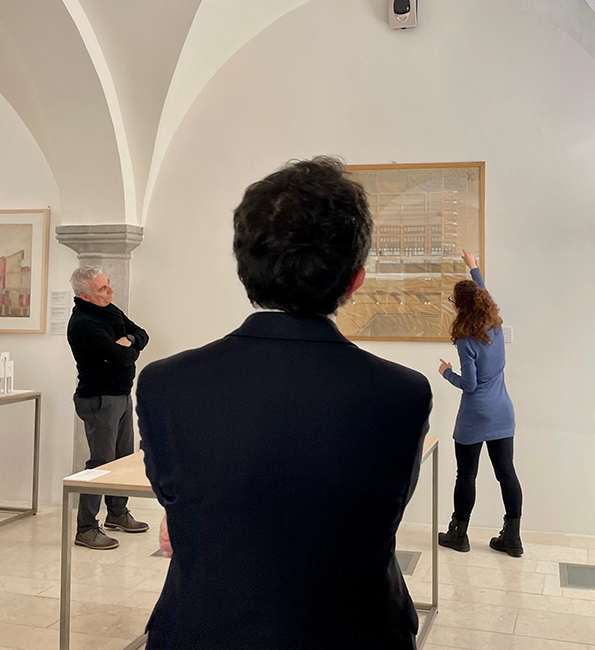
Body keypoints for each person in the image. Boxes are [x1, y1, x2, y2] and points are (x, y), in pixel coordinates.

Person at [136, 157, 432, 650]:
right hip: (355, 632)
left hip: (204, 630)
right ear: (355, 280)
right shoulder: (402, 392)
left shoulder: (164, 383)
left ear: (245, 268)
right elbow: (376, 513)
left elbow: (183, 499)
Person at [437, 250, 523, 557]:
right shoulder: (495, 325)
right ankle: (512, 538)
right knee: (506, 473)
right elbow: (481, 291)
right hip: (502, 411)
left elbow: (470, 385)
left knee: (466, 475)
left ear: (460, 307)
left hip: (475, 415)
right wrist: (473, 267)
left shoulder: (465, 340)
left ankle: (458, 535)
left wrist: (447, 373)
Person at [67, 266, 149, 550]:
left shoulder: (111, 311)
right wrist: (130, 348)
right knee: (101, 463)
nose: (110, 290)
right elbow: (120, 357)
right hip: (99, 399)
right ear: (85, 296)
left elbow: (142, 334)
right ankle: (86, 528)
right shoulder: (84, 323)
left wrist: (131, 341)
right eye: (102, 288)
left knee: (122, 458)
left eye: (108, 284)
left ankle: (117, 513)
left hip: (121, 395)